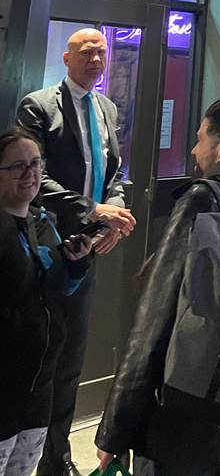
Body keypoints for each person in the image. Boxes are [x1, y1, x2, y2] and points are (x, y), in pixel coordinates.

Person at [96, 97, 220, 476]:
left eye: (201, 138)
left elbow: (154, 321)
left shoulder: (202, 199)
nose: (193, 148)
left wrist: (115, 431)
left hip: (177, 416)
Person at [17, 29, 138, 476]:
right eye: (86, 52)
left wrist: (114, 216)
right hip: (46, 249)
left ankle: (57, 458)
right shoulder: (39, 105)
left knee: (71, 361)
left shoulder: (106, 108)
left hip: (88, 250)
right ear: (66, 58)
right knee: (39, 356)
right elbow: (34, 180)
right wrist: (92, 209)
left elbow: (116, 173)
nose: (95, 58)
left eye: (101, 51)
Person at [0, 128, 93, 476]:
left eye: (36, 164)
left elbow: (55, 296)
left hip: (38, 393)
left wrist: (76, 264)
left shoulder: (42, 224)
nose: (30, 174)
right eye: (17, 167)